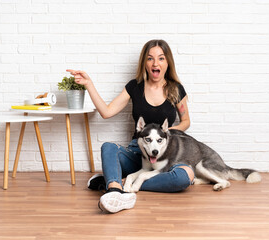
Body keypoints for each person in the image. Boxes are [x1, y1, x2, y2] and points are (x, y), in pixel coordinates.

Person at [67, 39, 194, 213]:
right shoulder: (134, 87)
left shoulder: (176, 89)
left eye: (161, 58)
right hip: (137, 153)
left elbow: (185, 121)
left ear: (167, 63)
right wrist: (89, 84)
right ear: (145, 62)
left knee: (185, 176)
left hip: (164, 155)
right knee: (108, 147)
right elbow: (106, 112)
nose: (155, 63)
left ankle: (119, 182)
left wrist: (166, 133)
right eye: (150, 58)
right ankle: (114, 192)